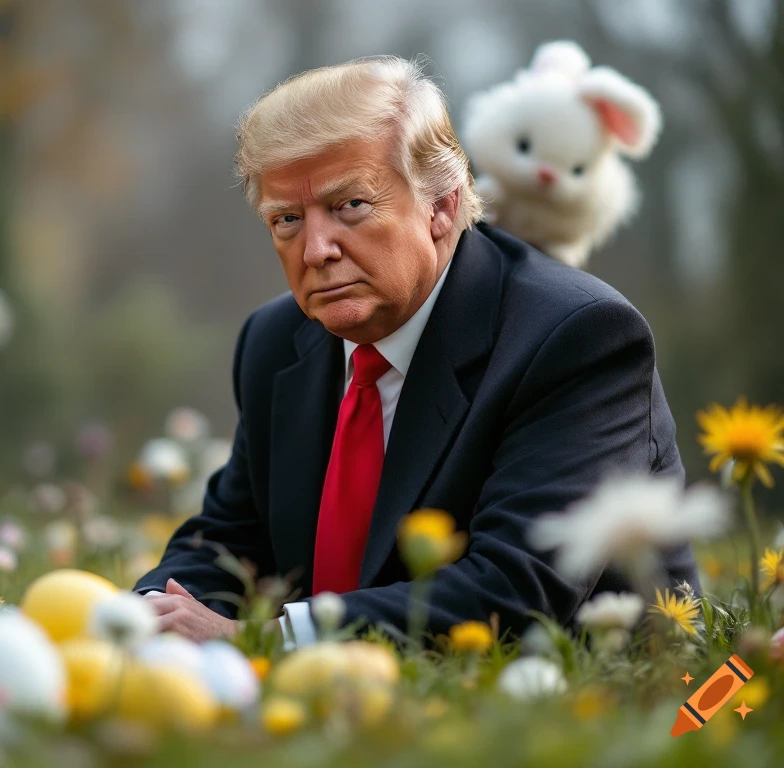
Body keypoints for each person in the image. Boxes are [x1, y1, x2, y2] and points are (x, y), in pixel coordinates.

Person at [135, 56, 698, 647]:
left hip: (616, 709)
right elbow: (231, 539)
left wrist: (264, 640)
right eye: (288, 219)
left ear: (442, 206)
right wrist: (144, 616)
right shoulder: (276, 341)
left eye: (350, 205)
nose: (317, 249)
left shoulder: (575, 338)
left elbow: (517, 588)